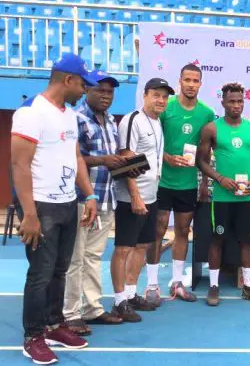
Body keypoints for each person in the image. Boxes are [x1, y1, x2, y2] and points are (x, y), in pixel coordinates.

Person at [11, 53, 98, 365]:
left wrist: (89, 195)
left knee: (60, 270)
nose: (86, 90)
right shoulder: (31, 112)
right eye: (84, 84)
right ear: (68, 80)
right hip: (41, 205)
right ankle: (33, 336)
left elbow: (76, 158)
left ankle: (53, 325)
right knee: (41, 274)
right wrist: (29, 214)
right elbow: (19, 165)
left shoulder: (70, 115)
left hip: (67, 203)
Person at [145, 64, 214, 306]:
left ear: (200, 84)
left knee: (183, 231)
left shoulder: (206, 113)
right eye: (187, 80)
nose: (191, 84)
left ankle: (177, 282)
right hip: (163, 181)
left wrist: (204, 182)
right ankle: (151, 284)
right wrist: (166, 158)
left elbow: (206, 151)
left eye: (195, 81)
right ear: (180, 81)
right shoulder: (167, 106)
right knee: (158, 230)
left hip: (187, 183)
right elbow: (153, 142)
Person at [197, 82, 250, 306]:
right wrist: (219, 178)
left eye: (240, 101)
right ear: (223, 102)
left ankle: (249, 287)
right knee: (217, 240)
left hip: (246, 197)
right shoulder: (211, 129)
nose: (236, 105)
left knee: (247, 242)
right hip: (222, 198)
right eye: (232, 101)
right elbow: (201, 161)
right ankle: (213, 287)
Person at [63, 70, 124, 337]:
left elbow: (111, 158)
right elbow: (70, 158)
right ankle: (70, 314)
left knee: (93, 257)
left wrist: (125, 162)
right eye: (100, 90)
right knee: (75, 258)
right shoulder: (75, 119)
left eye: (110, 91)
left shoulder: (110, 121)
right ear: (87, 90)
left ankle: (92, 308)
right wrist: (103, 160)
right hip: (81, 198)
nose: (105, 96)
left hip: (106, 197)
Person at [110, 78, 173, 322]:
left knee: (141, 246)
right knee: (123, 248)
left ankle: (131, 293)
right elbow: (126, 158)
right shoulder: (132, 120)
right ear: (145, 95)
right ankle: (119, 302)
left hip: (151, 196)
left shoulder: (157, 122)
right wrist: (135, 197)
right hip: (131, 198)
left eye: (164, 97)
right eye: (156, 95)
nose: (161, 100)